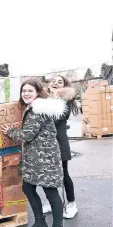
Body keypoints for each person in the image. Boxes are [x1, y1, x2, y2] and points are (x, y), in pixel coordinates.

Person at [0, 78, 66, 227]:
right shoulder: (31, 108)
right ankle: (40, 223)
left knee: (50, 192)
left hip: (46, 159)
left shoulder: (38, 110)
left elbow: (27, 135)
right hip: (36, 158)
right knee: (28, 188)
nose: (26, 94)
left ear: (38, 92)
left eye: (30, 91)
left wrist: (10, 131)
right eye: (24, 91)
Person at [42, 75, 78, 219]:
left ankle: (71, 203)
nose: (56, 83)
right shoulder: (44, 99)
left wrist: (54, 97)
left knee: (63, 173)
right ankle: (53, 202)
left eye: (60, 81)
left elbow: (60, 117)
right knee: (49, 173)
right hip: (46, 142)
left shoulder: (66, 99)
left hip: (59, 140)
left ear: (64, 85)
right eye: (53, 81)